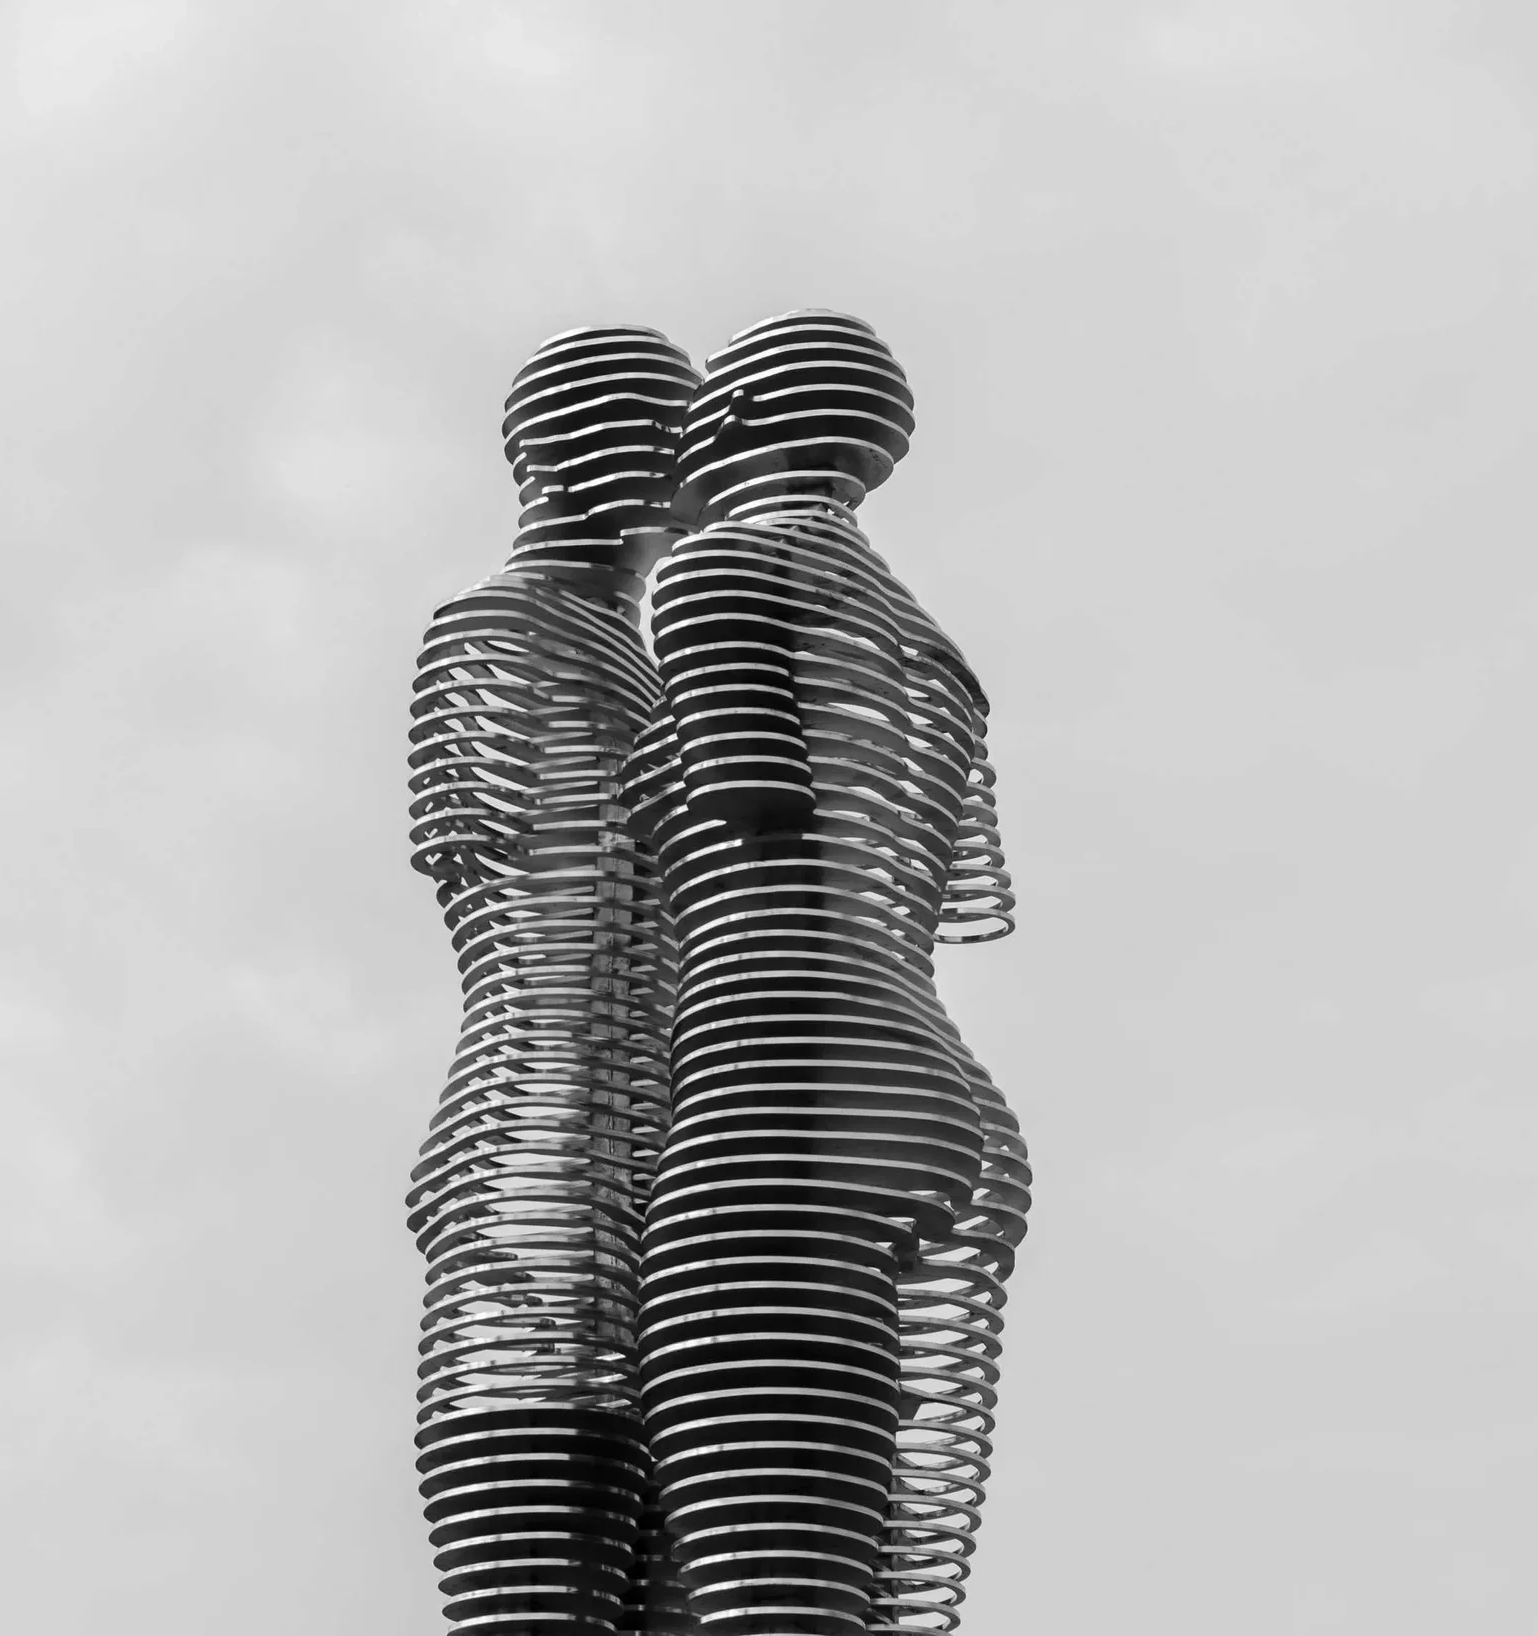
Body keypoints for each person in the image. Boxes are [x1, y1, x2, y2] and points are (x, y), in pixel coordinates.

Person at [627, 311, 1028, 1636]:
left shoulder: (716, 574)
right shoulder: (926, 643)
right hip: (920, 1053)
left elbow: (754, 806)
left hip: (775, 1040)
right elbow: (937, 874)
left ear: (730, 420)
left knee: (733, 1523)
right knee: (834, 1556)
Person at [406, 325, 701, 1633]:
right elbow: (525, 927)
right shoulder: (494, 631)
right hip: (544, 1186)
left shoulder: (653, 677)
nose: (684, 477)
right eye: (660, 440)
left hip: (656, 1193)